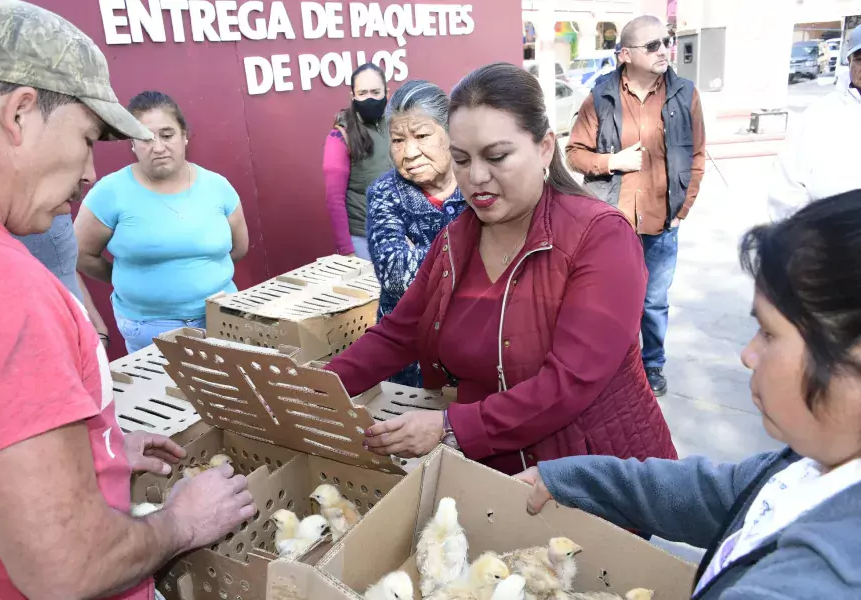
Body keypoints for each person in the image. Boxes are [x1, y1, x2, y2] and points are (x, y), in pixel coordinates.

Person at [0, 2, 254, 598]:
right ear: (19, 113)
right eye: (88, 138)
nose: (91, 171)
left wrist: (93, 446)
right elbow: (69, 568)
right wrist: (181, 521)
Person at [326, 62, 676, 476]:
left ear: (545, 147)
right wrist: (310, 391)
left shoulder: (600, 237)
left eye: (497, 156)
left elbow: (569, 383)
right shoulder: (454, 243)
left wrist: (450, 425)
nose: (476, 177)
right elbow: (397, 334)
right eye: (461, 158)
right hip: (495, 475)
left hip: (595, 477)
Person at [520, 190, 861, 599]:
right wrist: (567, 478)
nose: (748, 354)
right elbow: (712, 493)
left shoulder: (821, 581)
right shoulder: (810, 464)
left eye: (769, 333)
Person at [566, 15, 706, 398]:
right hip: (613, 224)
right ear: (626, 54)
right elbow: (574, 153)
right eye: (653, 45)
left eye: (667, 41)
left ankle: (653, 366)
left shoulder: (686, 94)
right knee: (609, 302)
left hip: (663, 223)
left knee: (654, 302)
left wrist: (682, 210)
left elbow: (697, 156)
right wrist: (612, 162)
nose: (665, 50)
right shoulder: (600, 96)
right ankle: (615, 367)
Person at [75, 91, 249, 354]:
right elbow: (81, 254)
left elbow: (238, 248)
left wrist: (199, 274)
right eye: (144, 138)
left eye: (167, 135)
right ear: (131, 143)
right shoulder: (110, 192)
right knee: (161, 395)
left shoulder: (217, 187)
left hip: (222, 319)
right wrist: (128, 277)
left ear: (185, 136)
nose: (157, 147)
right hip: (150, 331)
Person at [366, 79, 467, 387]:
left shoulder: (476, 180)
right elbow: (395, 275)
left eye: (422, 135)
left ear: (449, 132)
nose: (409, 152)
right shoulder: (385, 193)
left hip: (474, 345)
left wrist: (419, 254)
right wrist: (473, 251)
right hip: (411, 355)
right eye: (398, 140)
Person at [768, 25, 861, 221]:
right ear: (849, 62)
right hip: (833, 242)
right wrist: (806, 239)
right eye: (860, 59)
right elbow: (786, 189)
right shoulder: (819, 115)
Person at [323, 63, 393, 260]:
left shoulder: (396, 124)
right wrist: (348, 252)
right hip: (364, 240)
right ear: (352, 96)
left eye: (375, 92)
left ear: (387, 92)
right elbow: (334, 199)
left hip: (401, 234)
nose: (369, 98)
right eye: (362, 93)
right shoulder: (340, 135)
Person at [12, 215, 111, 349]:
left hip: (76, 330)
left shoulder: (59, 212)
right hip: (28, 339)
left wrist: (95, 323)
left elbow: (63, 268)